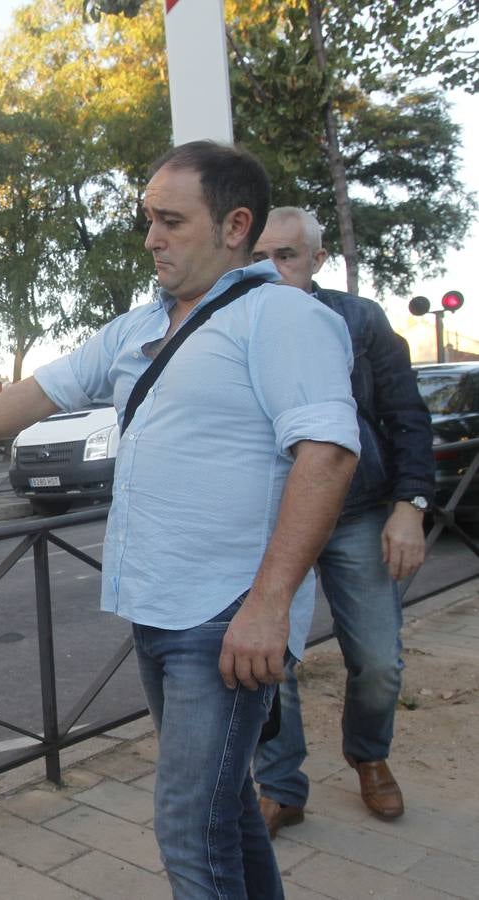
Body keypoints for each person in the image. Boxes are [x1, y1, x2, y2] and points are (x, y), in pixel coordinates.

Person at [0, 141, 361, 898]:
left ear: (235, 226)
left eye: (170, 221)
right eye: (147, 221)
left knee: (188, 832)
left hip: (226, 618)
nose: (151, 238)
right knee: (223, 813)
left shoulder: (282, 317)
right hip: (159, 610)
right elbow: (45, 389)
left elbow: (327, 455)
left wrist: (269, 605)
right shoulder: (139, 326)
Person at [251, 207, 433, 835]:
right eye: (259, 258)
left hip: (358, 512)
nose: (272, 272)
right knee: (273, 657)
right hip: (278, 520)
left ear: (317, 260)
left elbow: (408, 414)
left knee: (379, 660)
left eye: (287, 257)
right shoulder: (238, 324)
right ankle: (280, 786)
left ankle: (370, 755)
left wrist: (410, 506)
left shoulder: (359, 319)